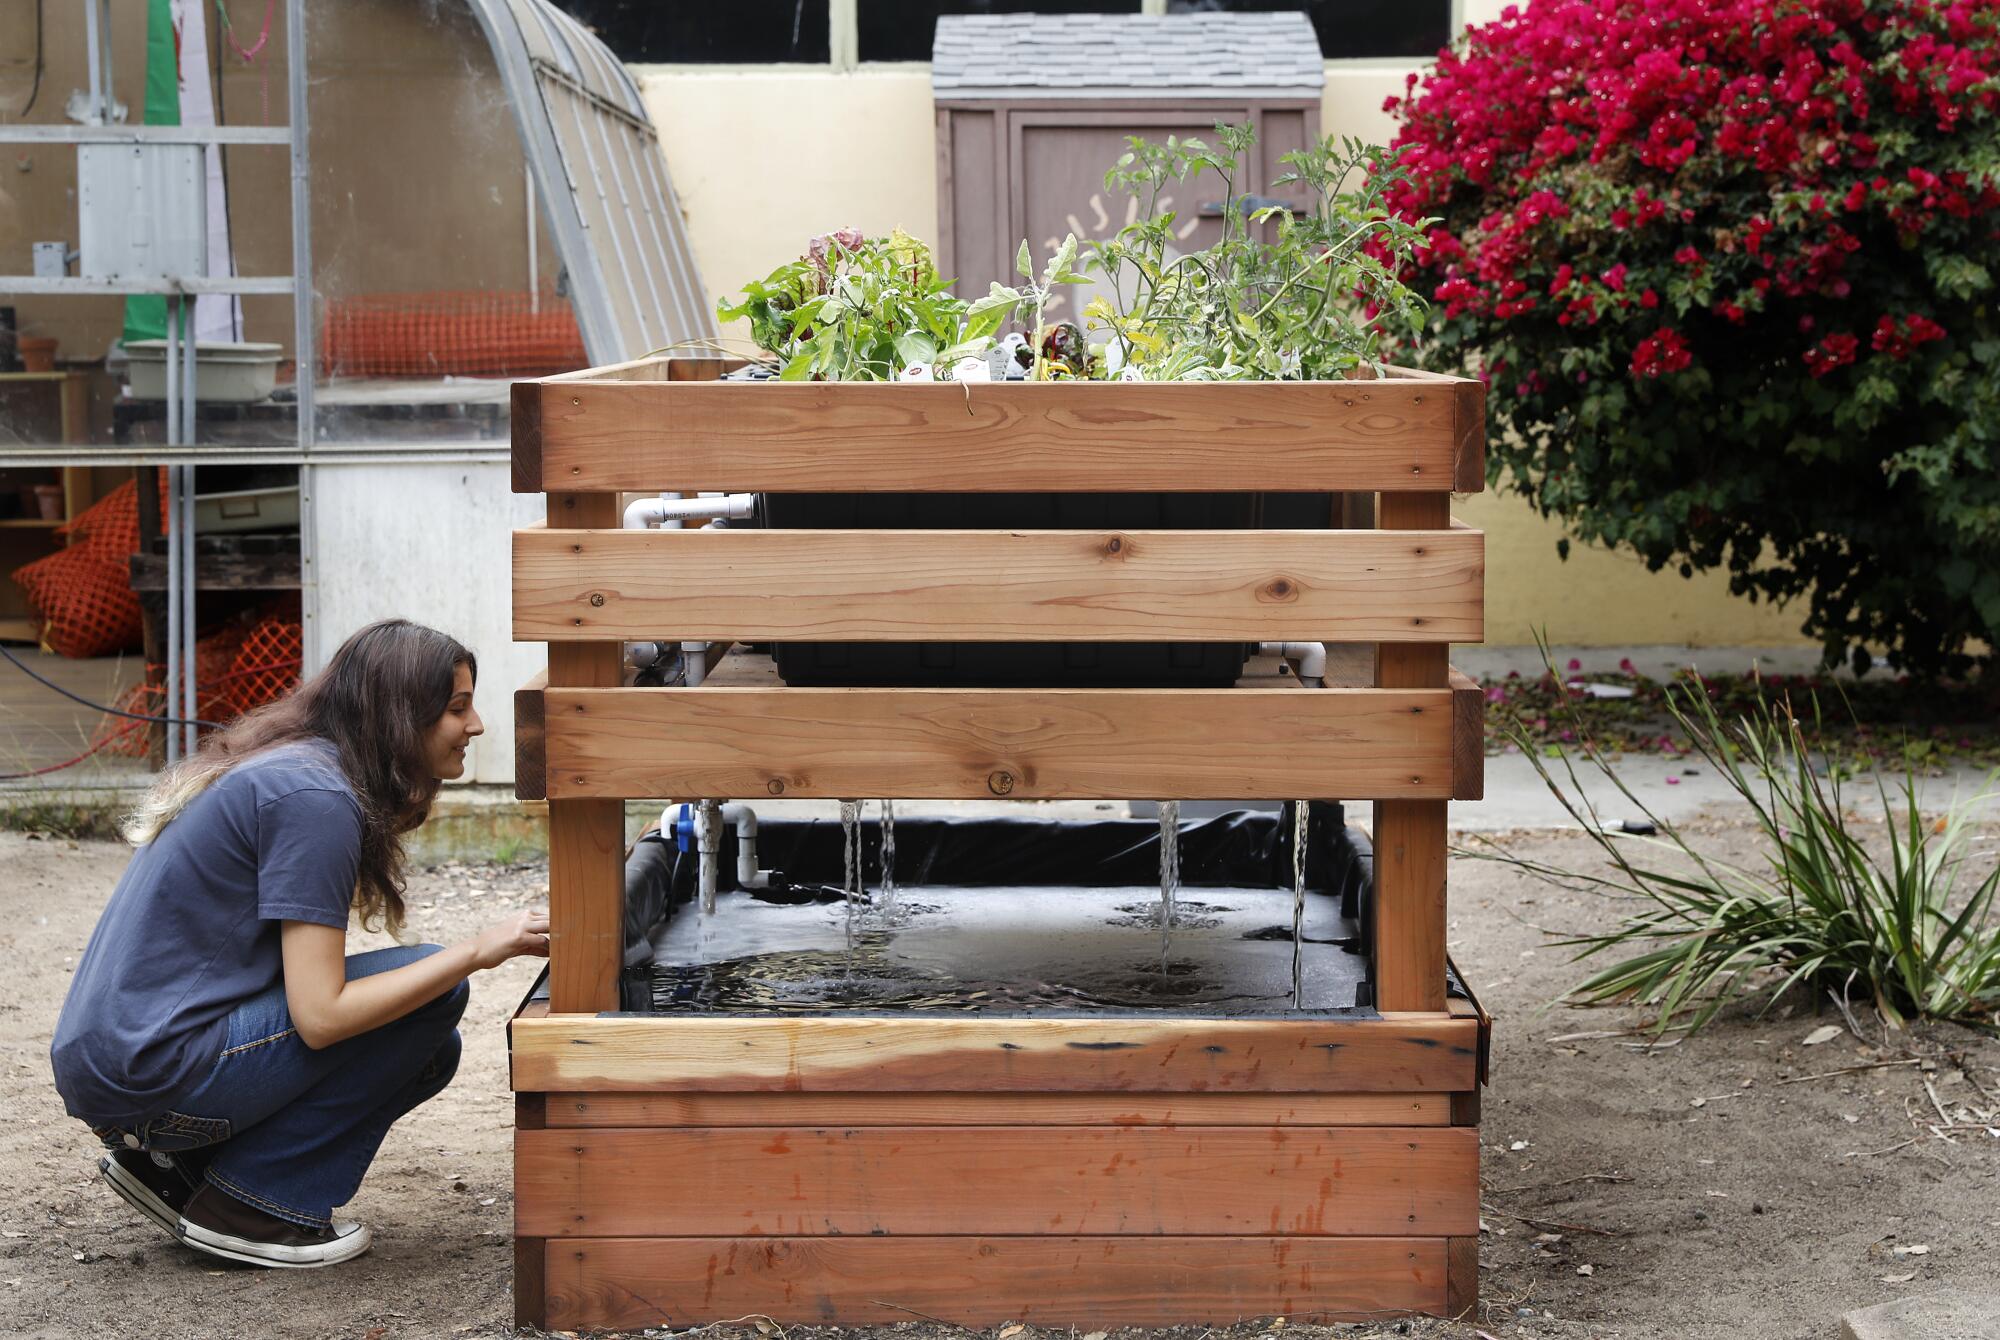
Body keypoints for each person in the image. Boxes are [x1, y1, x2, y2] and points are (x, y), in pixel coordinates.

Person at [50, 619, 550, 1268]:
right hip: (154, 1073)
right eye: (458, 707)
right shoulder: (316, 796)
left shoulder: (297, 771)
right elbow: (321, 1017)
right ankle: (254, 1206)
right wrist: (481, 948)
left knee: (431, 1048)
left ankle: (185, 1171)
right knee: (436, 986)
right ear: (402, 716)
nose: (476, 725)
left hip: (126, 1066)